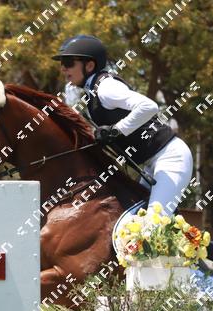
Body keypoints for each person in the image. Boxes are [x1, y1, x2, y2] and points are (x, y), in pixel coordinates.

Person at [52, 34, 194, 225]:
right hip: (150, 164)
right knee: (131, 224)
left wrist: (115, 130)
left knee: (153, 225)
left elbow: (149, 106)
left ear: (90, 65)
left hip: (171, 158)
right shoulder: (92, 92)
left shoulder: (105, 88)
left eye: (68, 63)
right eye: (62, 63)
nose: (63, 68)